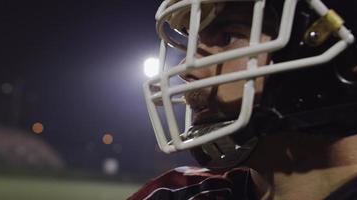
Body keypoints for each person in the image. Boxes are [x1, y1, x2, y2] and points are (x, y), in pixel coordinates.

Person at [129, 0, 357, 199]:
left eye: (228, 37)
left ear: (346, 61)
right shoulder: (174, 194)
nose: (186, 71)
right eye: (195, 42)